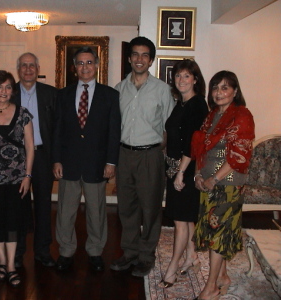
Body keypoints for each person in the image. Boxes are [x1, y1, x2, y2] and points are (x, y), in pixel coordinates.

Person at [110, 37, 175, 277]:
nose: (139, 59)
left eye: (144, 55)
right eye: (135, 54)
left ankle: (146, 256)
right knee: (126, 208)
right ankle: (130, 253)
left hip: (151, 156)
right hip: (124, 154)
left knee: (150, 209)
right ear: (129, 58)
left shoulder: (162, 90)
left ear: (151, 60)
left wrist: (160, 151)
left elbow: (170, 125)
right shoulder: (118, 89)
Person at [52, 47, 121, 271]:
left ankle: (95, 252)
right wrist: (56, 160)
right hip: (69, 163)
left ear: (97, 65)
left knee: (97, 211)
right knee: (65, 210)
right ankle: (66, 251)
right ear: (75, 67)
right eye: (80, 63)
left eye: (89, 62)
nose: (85, 67)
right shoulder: (62, 95)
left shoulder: (110, 95)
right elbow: (58, 130)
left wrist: (111, 162)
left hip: (97, 164)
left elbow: (114, 131)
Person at [191, 71, 255, 300]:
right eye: (215, 88)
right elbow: (200, 149)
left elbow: (239, 153)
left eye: (225, 88)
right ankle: (223, 278)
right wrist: (198, 175)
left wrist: (214, 178)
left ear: (235, 91)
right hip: (208, 183)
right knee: (214, 231)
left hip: (227, 184)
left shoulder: (242, 115)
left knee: (218, 233)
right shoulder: (211, 117)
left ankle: (211, 289)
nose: (219, 92)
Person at [0, 70, 34, 287]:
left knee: (13, 223)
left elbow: (30, 147)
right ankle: (1, 261)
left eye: (8, 87)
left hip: (16, 179)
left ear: (13, 90)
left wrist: (28, 176)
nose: (4, 91)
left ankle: (11, 265)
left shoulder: (23, 114)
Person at [159, 59, 208, 288]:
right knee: (186, 218)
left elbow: (193, 143)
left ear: (195, 79)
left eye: (187, 76)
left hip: (185, 170)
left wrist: (180, 172)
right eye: (178, 76)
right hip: (176, 167)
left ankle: (172, 267)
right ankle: (192, 258)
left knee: (180, 220)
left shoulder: (198, 105)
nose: (181, 80)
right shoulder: (182, 104)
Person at [14, 52, 57, 268]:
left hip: (42, 157)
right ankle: (18, 253)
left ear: (38, 68)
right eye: (24, 65)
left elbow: (58, 130)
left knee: (43, 205)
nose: (28, 69)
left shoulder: (51, 94)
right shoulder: (8, 92)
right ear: (18, 69)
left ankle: (42, 251)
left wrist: (56, 159)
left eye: (32, 65)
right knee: (19, 207)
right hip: (16, 158)